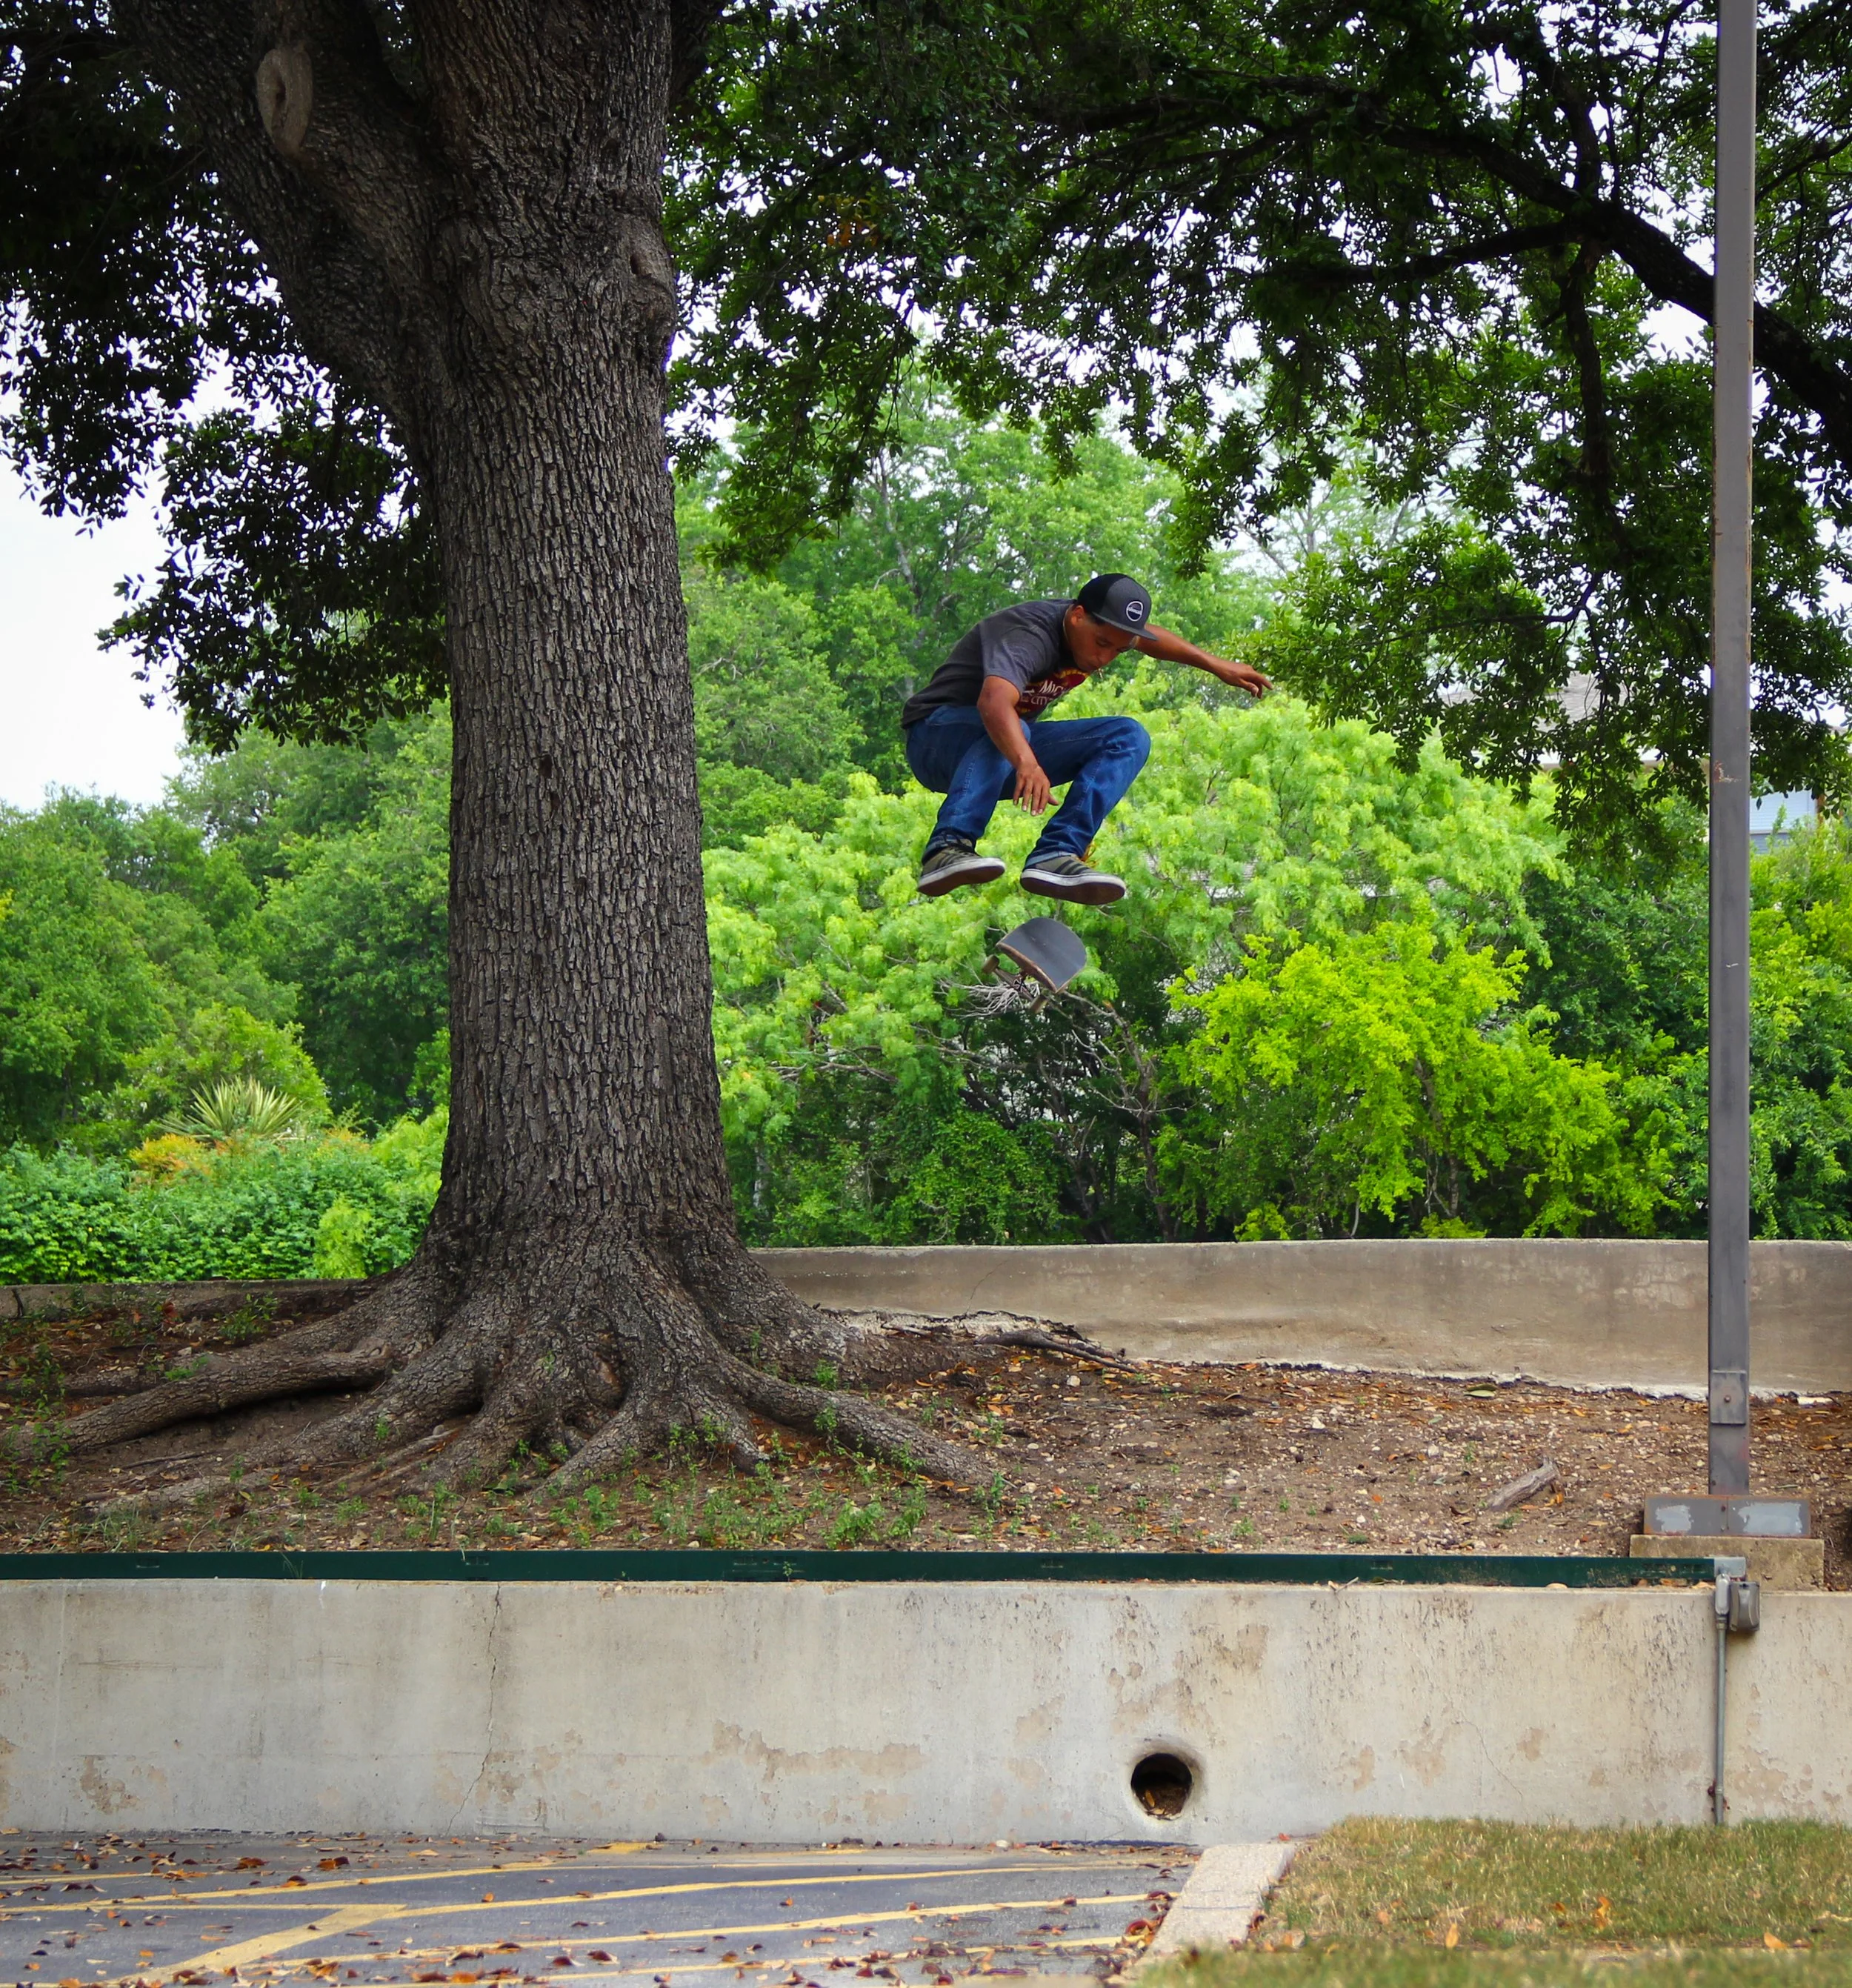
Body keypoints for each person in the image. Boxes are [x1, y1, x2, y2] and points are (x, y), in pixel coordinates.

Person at [901, 573, 1272, 904]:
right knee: (1016, 726)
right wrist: (1027, 762)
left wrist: (1217, 665)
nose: (1104, 658)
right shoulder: (1030, 634)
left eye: (1118, 650)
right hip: (935, 740)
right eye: (1101, 643)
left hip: (999, 756)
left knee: (1128, 736)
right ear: (1077, 615)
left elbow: (1152, 638)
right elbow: (994, 702)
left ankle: (1057, 853)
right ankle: (947, 846)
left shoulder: (1103, 630)